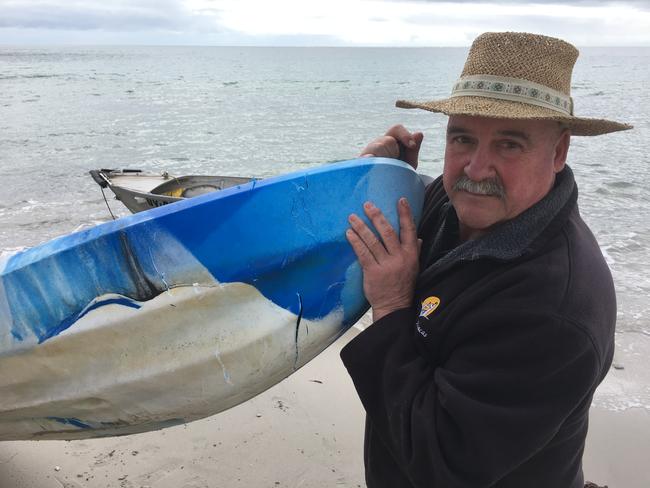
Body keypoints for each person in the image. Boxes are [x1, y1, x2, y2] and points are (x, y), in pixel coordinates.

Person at [340, 32, 632, 488]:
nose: (476, 169)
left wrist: (393, 306)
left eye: (509, 144)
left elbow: (440, 465)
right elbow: (376, 244)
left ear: (558, 152)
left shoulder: (554, 307)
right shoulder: (454, 202)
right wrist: (381, 181)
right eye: (462, 139)